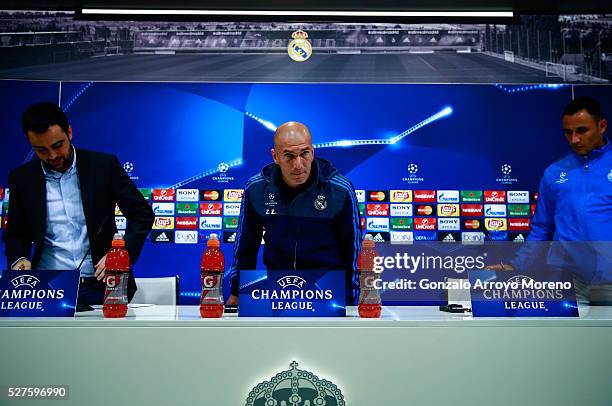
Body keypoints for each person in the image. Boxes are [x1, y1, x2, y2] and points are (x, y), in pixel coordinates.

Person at [3, 102, 154, 308]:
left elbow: (142, 214)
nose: (52, 156)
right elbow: (16, 233)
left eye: (57, 145)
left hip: (102, 284)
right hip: (47, 287)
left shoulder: (103, 167)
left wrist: (122, 252)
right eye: (41, 150)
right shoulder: (22, 178)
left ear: (70, 133)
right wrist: (19, 259)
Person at [226, 122, 362, 305]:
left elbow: (353, 252)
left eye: (304, 154)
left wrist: (351, 301)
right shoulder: (257, 188)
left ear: (312, 152)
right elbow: (246, 247)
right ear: (275, 156)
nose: (298, 165)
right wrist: (236, 293)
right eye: (289, 156)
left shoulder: (339, 189)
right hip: (278, 293)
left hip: (329, 295)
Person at [493, 96, 612, 304]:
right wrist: (517, 265)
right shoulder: (554, 173)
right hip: (570, 282)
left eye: (582, 130)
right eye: (568, 132)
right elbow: (542, 228)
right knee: (567, 338)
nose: (574, 139)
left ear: (601, 126)